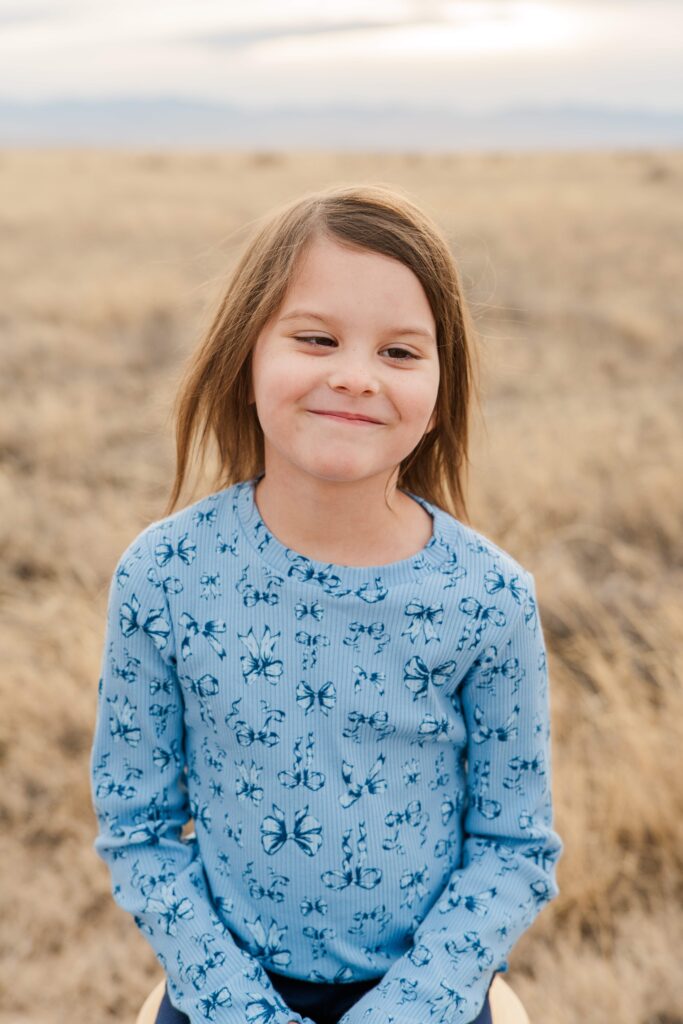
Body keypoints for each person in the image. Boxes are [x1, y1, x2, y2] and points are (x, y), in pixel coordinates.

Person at [89, 184, 564, 1024]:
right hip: (223, 996)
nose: (353, 377)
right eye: (315, 339)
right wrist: (234, 1005)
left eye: (399, 353)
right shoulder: (163, 575)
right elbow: (138, 826)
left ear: (439, 393)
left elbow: (513, 846)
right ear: (244, 357)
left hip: (429, 998)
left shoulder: (488, 598)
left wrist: (410, 1008)